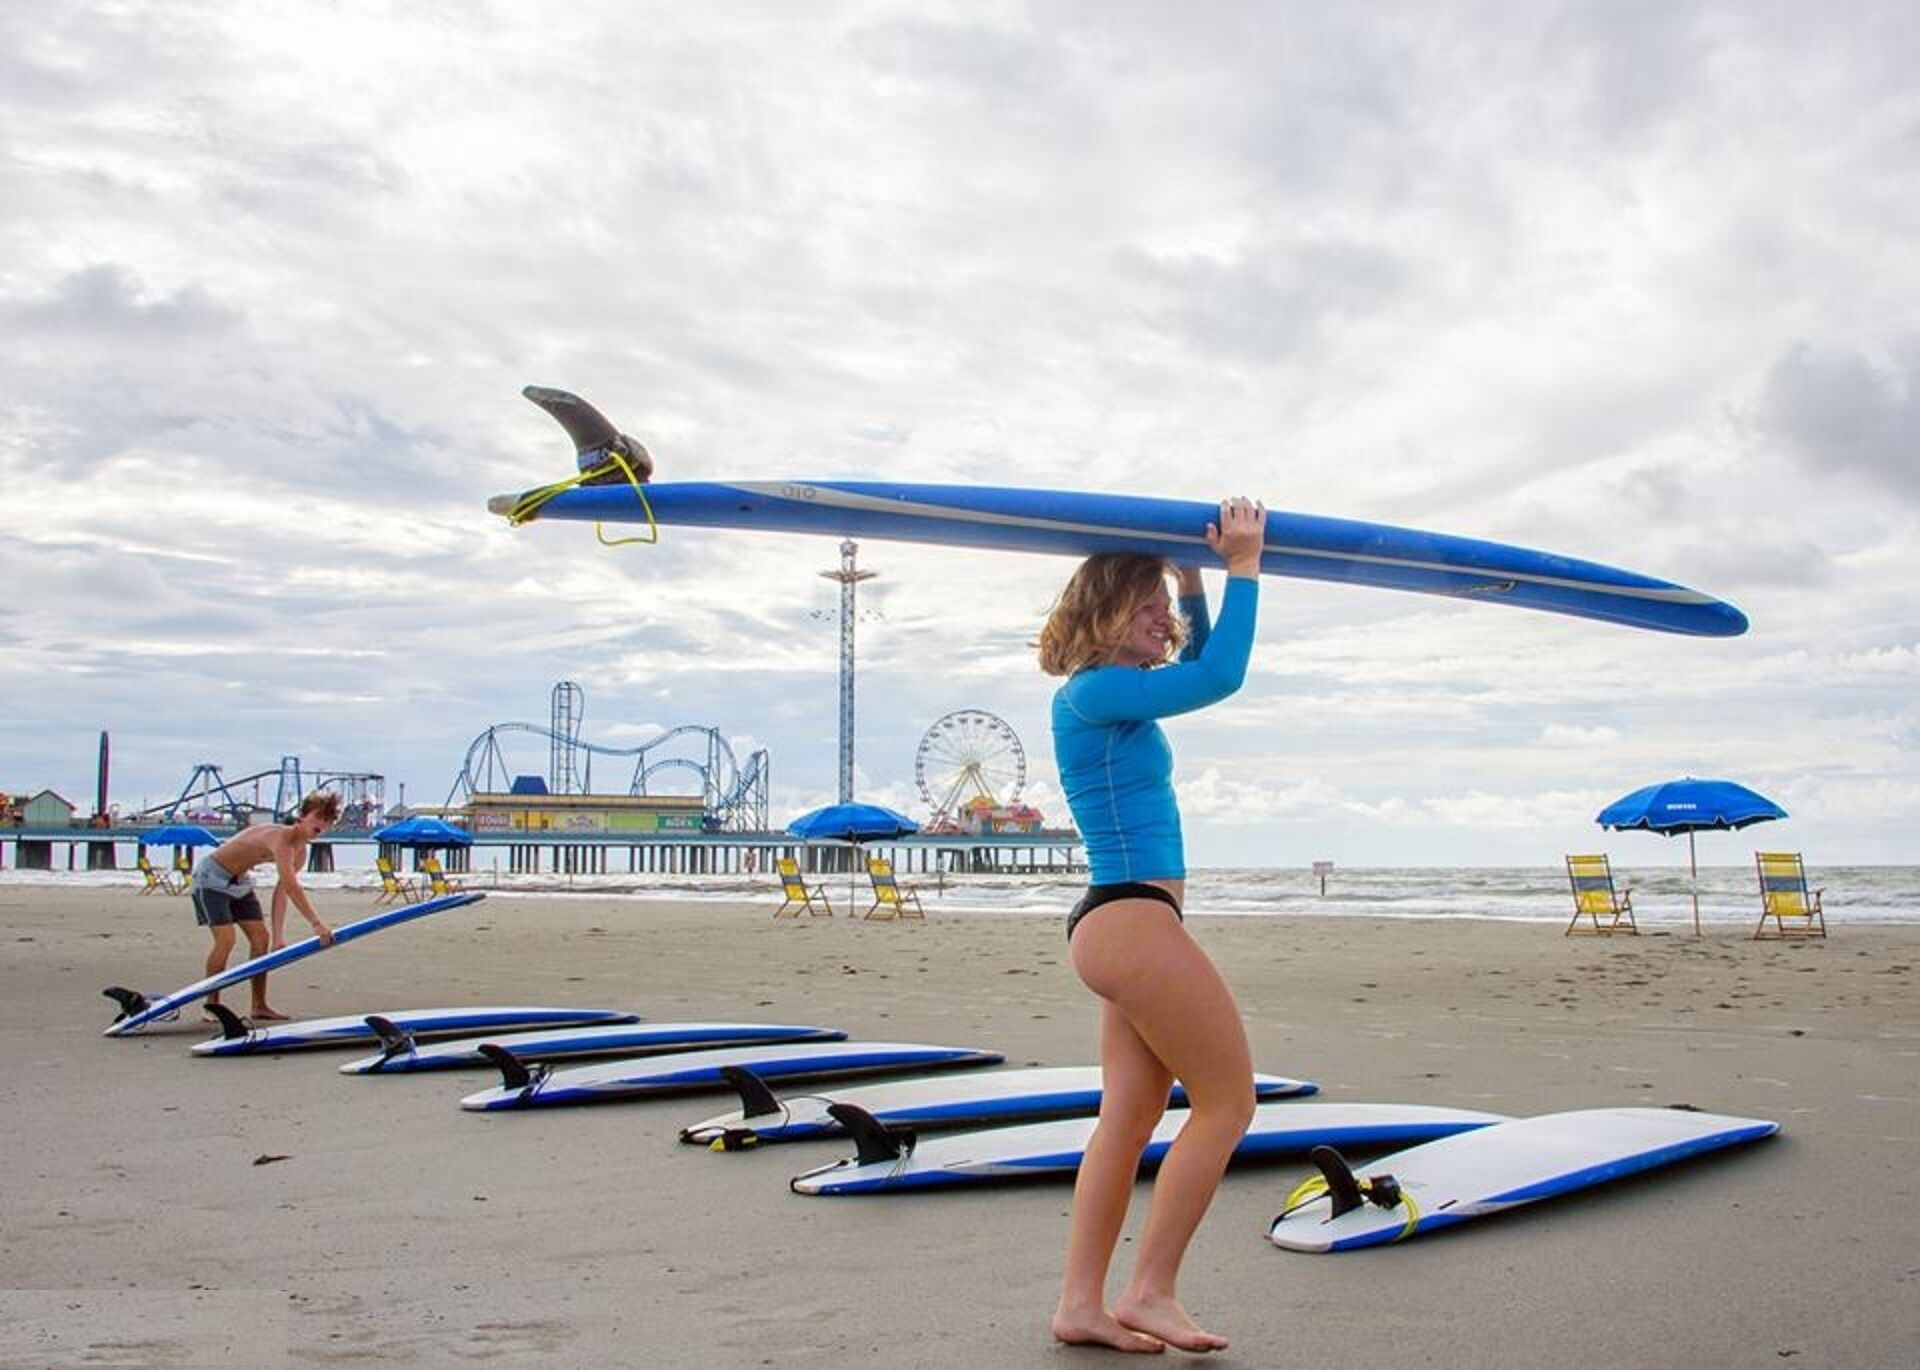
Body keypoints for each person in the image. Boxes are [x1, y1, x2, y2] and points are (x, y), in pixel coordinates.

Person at [1037, 496, 1267, 1355]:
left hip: (1125, 919)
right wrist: (1245, 566)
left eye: (1165, 607)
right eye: (1149, 604)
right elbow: (1221, 678)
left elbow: (1201, 662)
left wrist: (1198, 584)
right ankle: (1150, 1291)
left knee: (1130, 1118)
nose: (1163, 621)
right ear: (1103, 609)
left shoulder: (1104, 696)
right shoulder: (1096, 692)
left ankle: (1082, 1305)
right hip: (1131, 921)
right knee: (1227, 1103)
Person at [190, 791, 339, 1022]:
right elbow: (292, 886)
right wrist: (316, 923)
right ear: (302, 817)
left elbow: (282, 892)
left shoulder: (300, 852)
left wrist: (279, 937)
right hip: (211, 878)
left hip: (239, 882)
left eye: (328, 820)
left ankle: (259, 1006)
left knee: (262, 939)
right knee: (226, 939)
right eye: (318, 817)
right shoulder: (280, 839)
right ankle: (212, 1005)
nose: (322, 823)